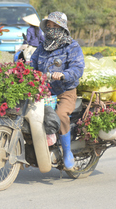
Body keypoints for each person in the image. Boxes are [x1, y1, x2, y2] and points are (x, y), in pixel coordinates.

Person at [30, 11, 85, 171]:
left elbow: (78, 68)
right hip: (44, 91)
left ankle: (67, 152)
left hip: (65, 91)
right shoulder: (42, 47)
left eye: (55, 26)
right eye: (49, 26)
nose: (51, 29)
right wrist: (21, 70)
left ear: (62, 28)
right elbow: (32, 64)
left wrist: (63, 75)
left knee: (60, 115)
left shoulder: (72, 47)